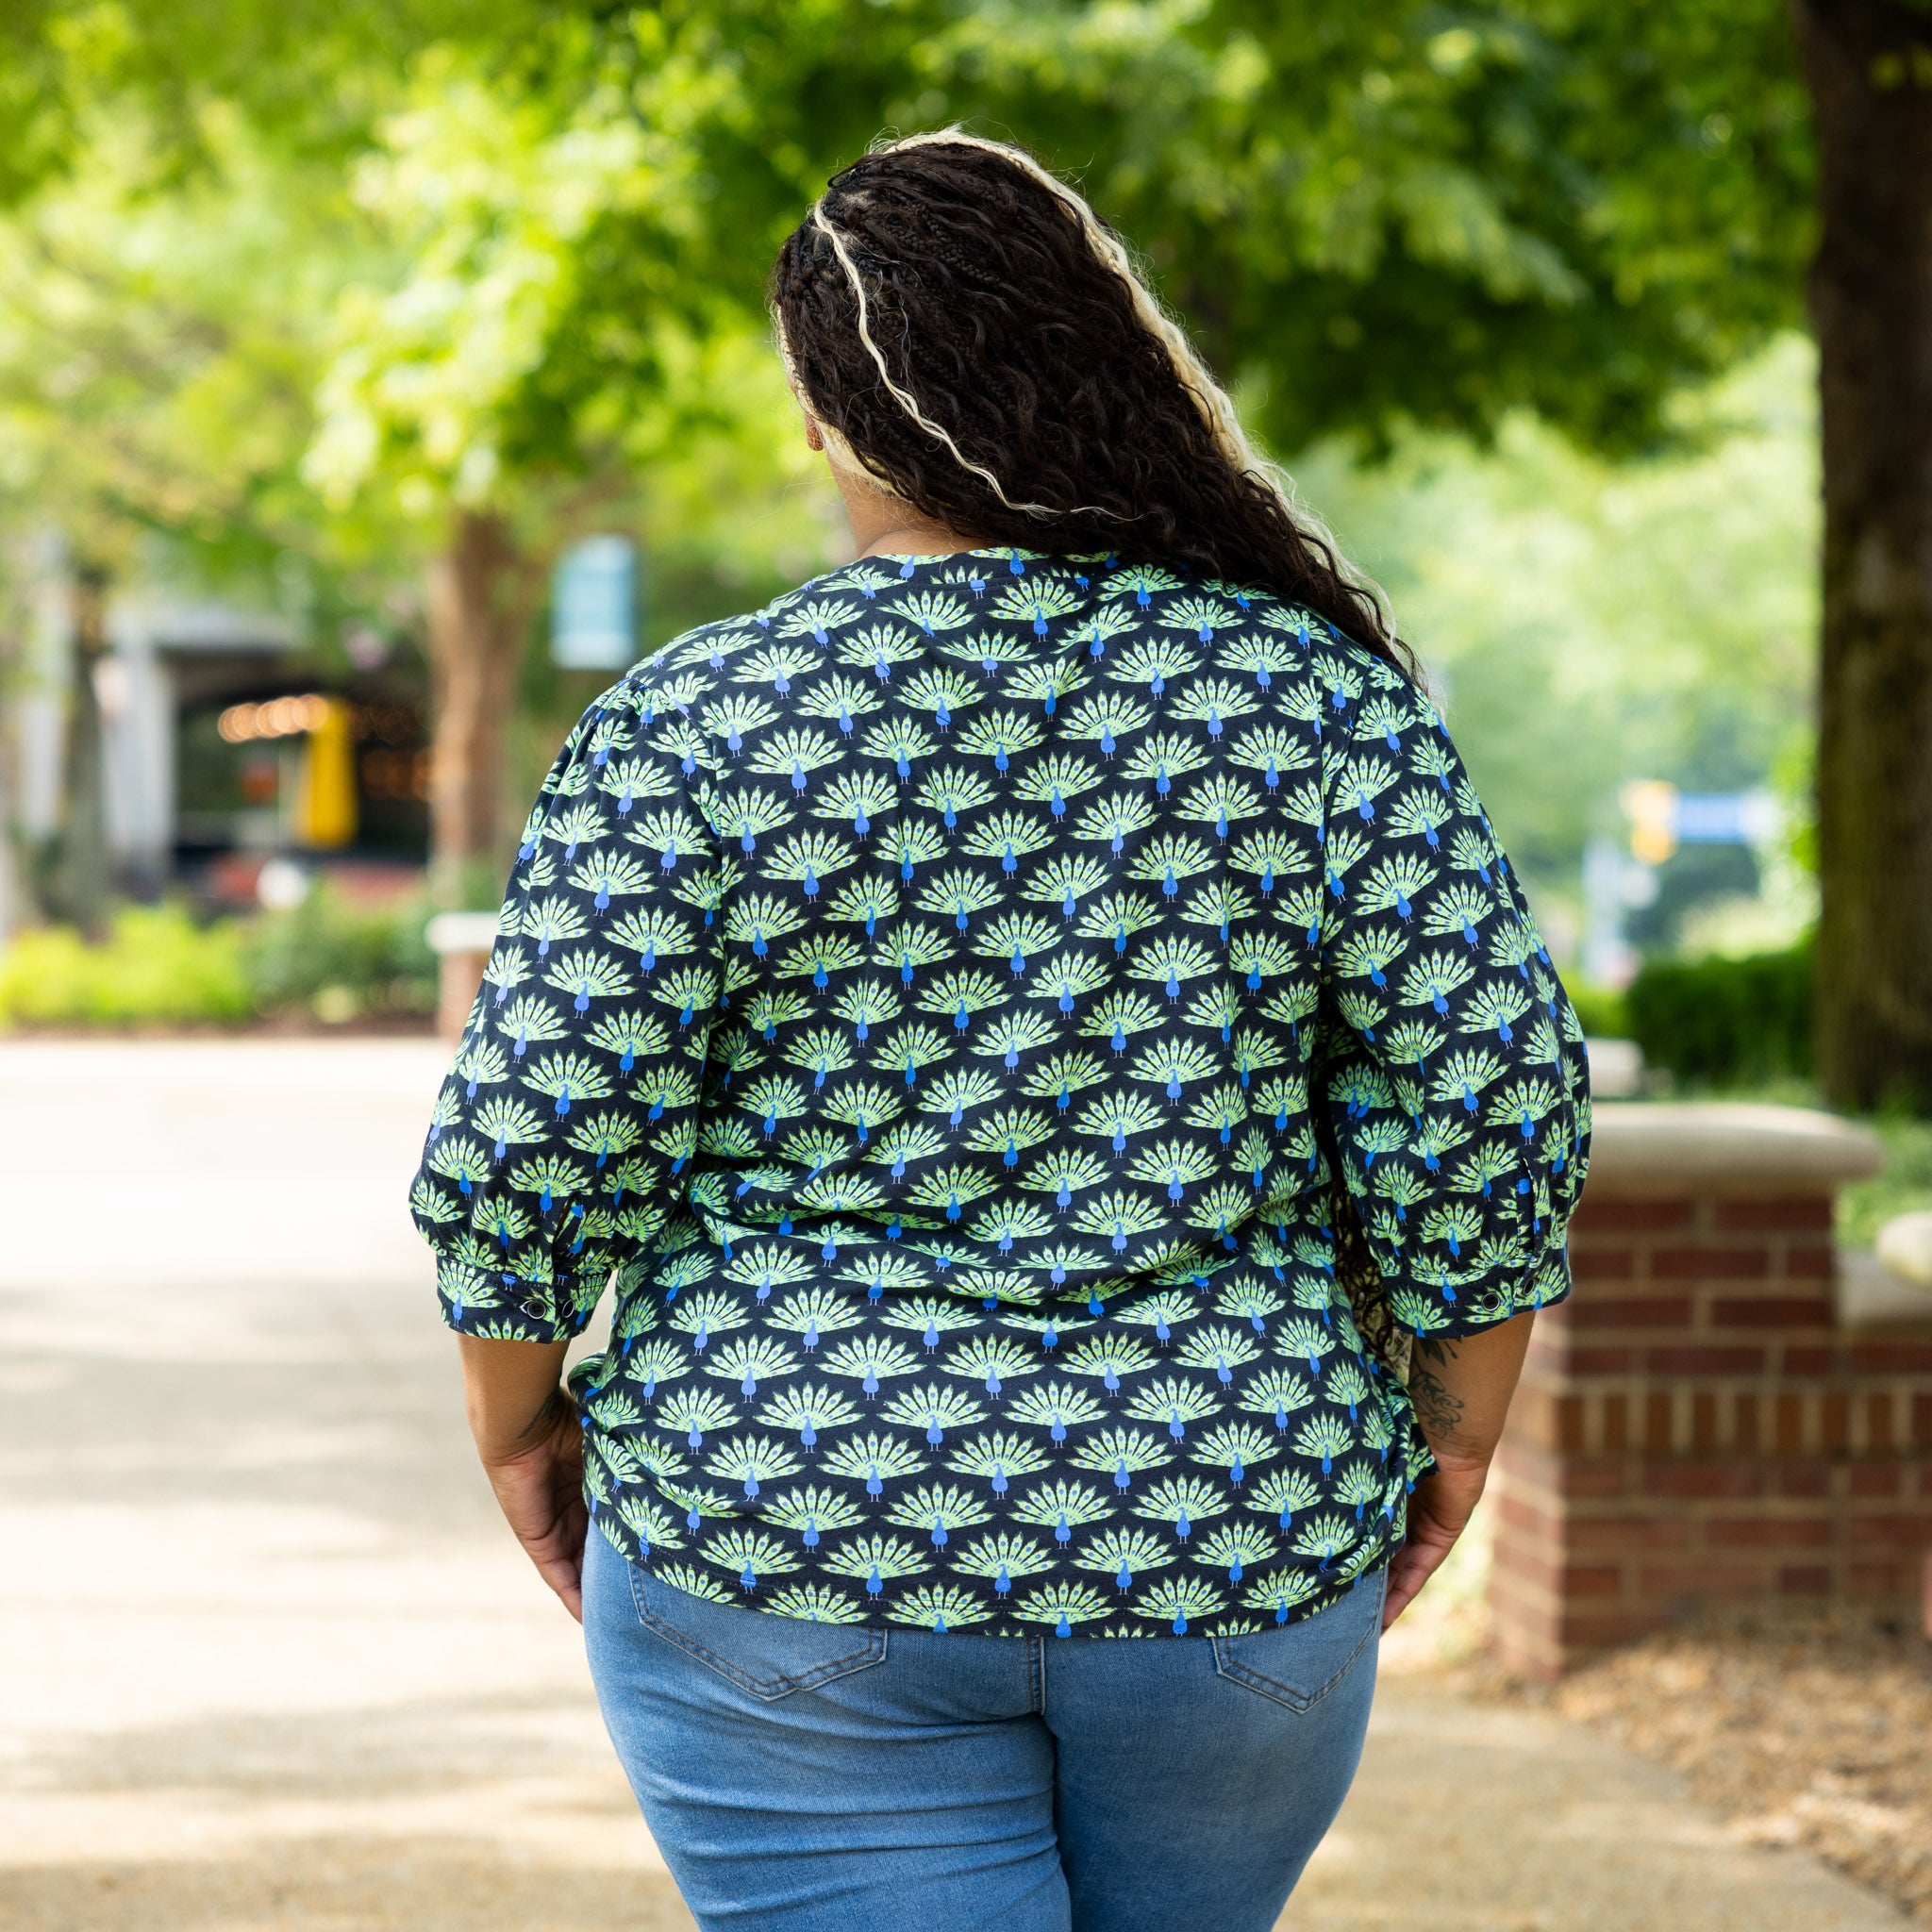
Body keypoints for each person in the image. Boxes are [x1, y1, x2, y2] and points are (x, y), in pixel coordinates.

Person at [409, 130, 1591, 1932]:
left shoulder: (700, 723)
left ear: (819, 413)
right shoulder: (1318, 703)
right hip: (1226, 1534)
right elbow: (1490, 1098)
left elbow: (534, 1137)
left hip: (790, 1528)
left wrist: (518, 1423)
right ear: (1100, 361)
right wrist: (1459, 1434)